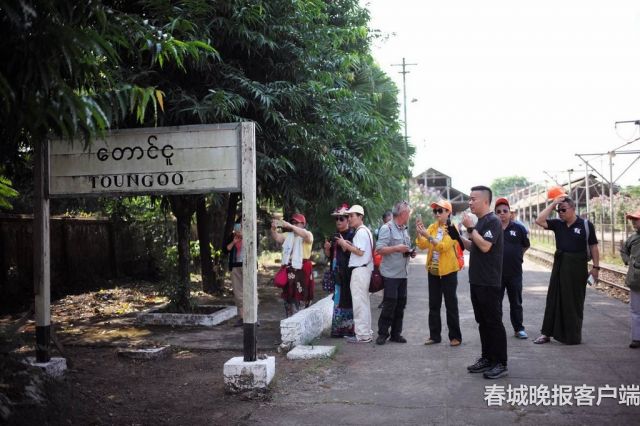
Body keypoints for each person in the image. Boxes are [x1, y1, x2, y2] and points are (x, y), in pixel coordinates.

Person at [533, 195, 599, 345]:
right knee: (553, 298)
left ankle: (571, 336)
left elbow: (594, 247)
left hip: (577, 267)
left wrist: (596, 267)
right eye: (558, 211)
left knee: (573, 301)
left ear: (573, 208)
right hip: (560, 265)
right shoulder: (558, 224)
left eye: (563, 210)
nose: (560, 213)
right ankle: (546, 333)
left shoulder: (586, 225)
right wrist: (553, 204)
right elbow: (539, 220)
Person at [461, 186, 508, 379]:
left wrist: (470, 228)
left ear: (486, 201)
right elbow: (474, 246)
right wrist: (459, 238)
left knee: (493, 322)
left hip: (489, 281)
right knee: (482, 322)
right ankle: (487, 358)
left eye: (473, 199)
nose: (470, 202)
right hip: (477, 280)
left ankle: (500, 363)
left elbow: (486, 246)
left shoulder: (493, 221)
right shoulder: (481, 222)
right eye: (469, 199)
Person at [416, 199, 463, 346]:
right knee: (434, 305)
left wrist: (428, 236)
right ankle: (434, 336)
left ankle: (455, 337)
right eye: (435, 211)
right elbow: (422, 245)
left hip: (448, 271)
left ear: (448, 212)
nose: (437, 214)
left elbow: (443, 247)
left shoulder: (453, 229)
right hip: (433, 271)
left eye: (440, 210)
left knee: (451, 305)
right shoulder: (432, 227)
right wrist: (420, 233)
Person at [375, 200, 416, 345]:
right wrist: (397, 248)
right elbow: (379, 249)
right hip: (391, 275)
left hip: (403, 274)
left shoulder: (404, 229)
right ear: (402, 213)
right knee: (390, 304)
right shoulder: (387, 228)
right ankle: (382, 334)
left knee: (400, 305)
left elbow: (404, 248)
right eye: (408, 212)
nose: (409, 215)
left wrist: (410, 252)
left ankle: (396, 334)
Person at [336, 205, 374, 343]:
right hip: (364, 270)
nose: (350, 219)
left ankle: (362, 335)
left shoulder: (361, 232)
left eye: (352, 216)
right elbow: (359, 249)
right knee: (363, 303)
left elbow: (360, 252)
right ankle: (365, 333)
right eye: (349, 216)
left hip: (360, 270)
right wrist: (348, 244)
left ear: (360, 217)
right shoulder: (364, 231)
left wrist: (344, 244)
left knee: (359, 304)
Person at [495, 198, 530, 339]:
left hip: (515, 273)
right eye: (498, 212)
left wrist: (518, 256)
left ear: (510, 213)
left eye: (505, 211)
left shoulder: (519, 228)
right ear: (495, 214)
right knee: (496, 303)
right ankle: (497, 329)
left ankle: (519, 329)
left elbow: (526, 245)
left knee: (516, 302)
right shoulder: (492, 229)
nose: (502, 214)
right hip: (496, 274)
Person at [271, 213, 314, 318]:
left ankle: (301, 319)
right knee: (289, 296)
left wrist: (290, 226)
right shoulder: (288, 235)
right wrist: (273, 229)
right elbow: (277, 237)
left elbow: (306, 236)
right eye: (292, 222)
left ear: (303, 224)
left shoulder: (308, 234)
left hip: (303, 269)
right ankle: (290, 318)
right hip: (290, 269)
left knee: (302, 296)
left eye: (296, 222)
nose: (293, 224)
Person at [323, 205, 355, 337]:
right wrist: (327, 249)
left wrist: (344, 244)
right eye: (336, 219)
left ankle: (349, 329)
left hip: (348, 273)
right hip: (337, 273)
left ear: (348, 220)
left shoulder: (352, 235)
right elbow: (330, 256)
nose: (338, 221)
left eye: (341, 219)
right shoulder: (334, 236)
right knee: (338, 299)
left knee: (348, 299)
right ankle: (338, 329)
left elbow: (355, 253)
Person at [620, 209, 640, 348]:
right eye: (632, 220)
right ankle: (636, 338)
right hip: (635, 279)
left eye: (636, 220)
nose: (633, 223)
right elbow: (623, 251)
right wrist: (629, 261)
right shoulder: (632, 239)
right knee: (635, 310)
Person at [225, 223, 245, 326]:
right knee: (238, 293)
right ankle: (242, 317)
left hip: (248, 266)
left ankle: (254, 317)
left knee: (251, 292)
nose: (238, 231)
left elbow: (255, 247)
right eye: (237, 229)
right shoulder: (232, 237)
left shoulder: (251, 235)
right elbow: (226, 249)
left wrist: (244, 236)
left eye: (240, 228)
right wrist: (234, 241)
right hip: (235, 266)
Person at [377, 210, 393, 309]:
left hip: (393, 261)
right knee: (386, 281)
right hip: (385, 260)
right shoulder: (384, 229)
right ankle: (385, 300)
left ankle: (387, 301)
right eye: (388, 221)